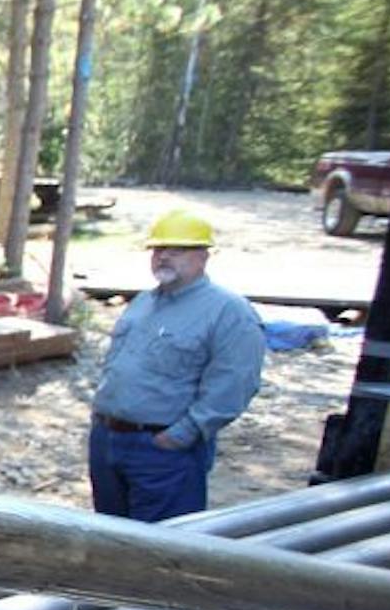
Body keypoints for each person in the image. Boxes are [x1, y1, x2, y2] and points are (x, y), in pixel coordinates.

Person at [89, 208, 265, 522]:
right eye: (158, 250)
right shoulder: (144, 302)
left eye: (178, 250)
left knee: (158, 549)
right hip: (108, 441)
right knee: (108, 538)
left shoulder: (228, 312)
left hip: (163, 452)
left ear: (204, 256)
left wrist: (181, 435)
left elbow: (234, 384)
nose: (164, 258)